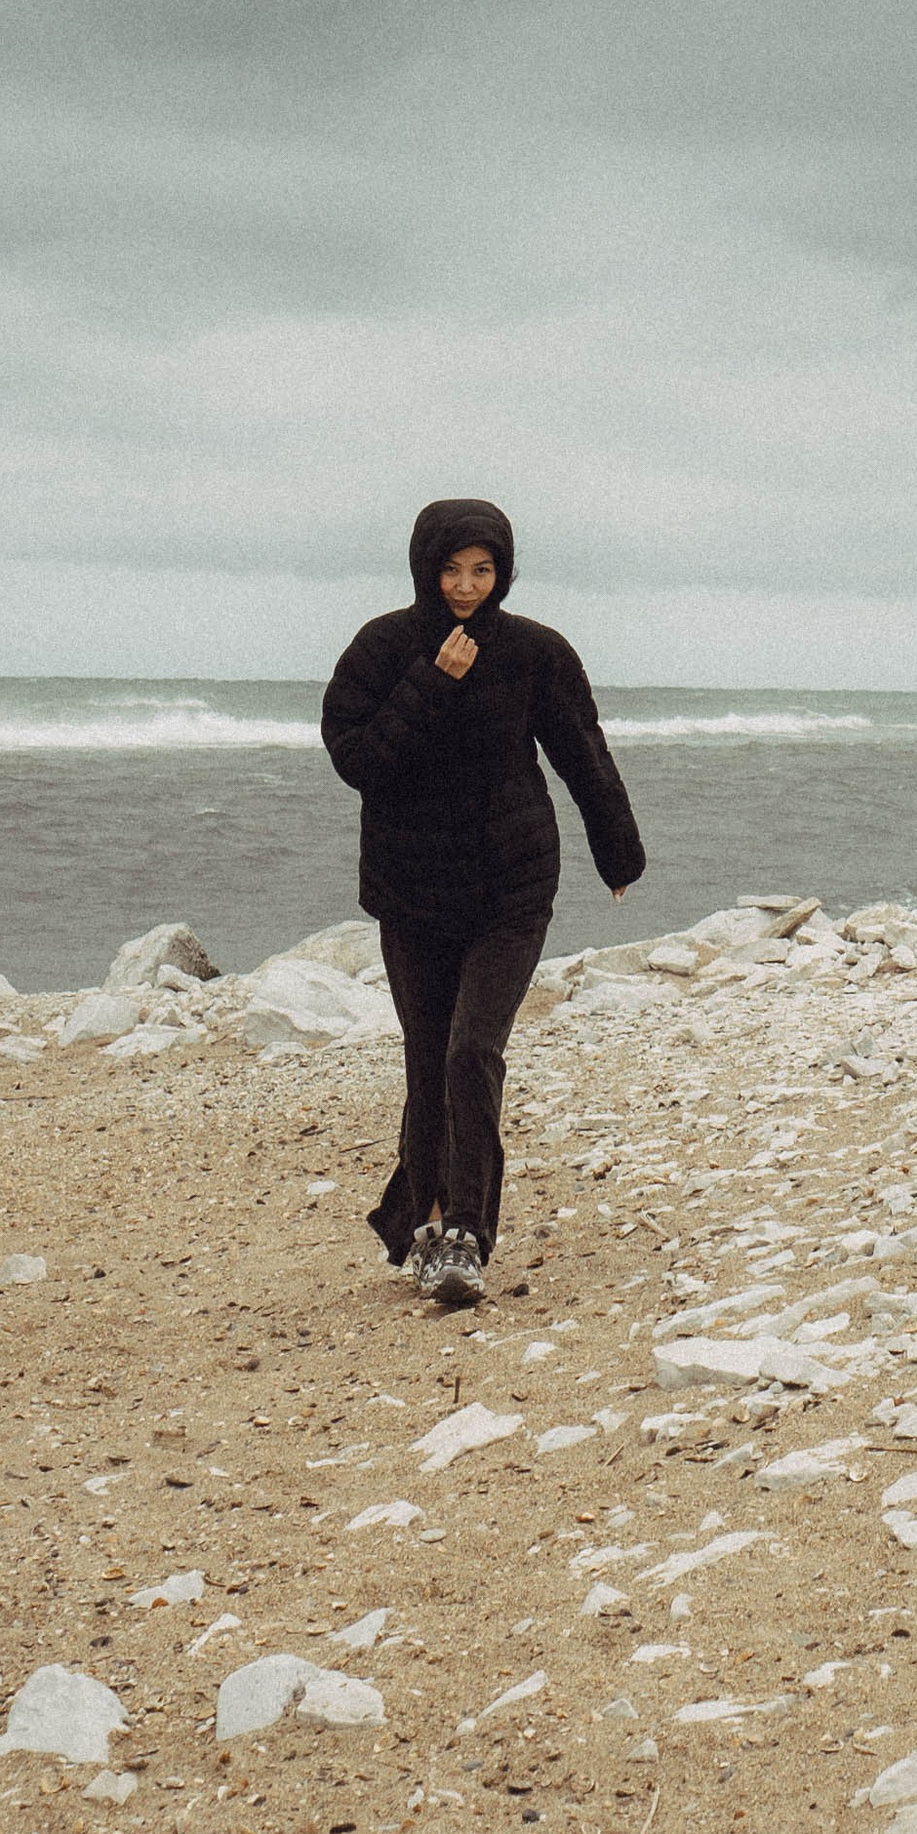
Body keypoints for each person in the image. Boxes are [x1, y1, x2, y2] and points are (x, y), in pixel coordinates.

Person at [322, 497, 644, 1307]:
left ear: (502, 571)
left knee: (472, 1052)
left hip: (511, 884)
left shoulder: (535, 652)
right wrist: (433, 682)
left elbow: (583, 753)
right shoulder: (383, 647)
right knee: (428, 1065)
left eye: (483, 570)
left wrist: (618, 852)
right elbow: (357, 759)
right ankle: (425, 1225)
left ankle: (467, 1233)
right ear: (425, 568)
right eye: (452, 569)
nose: (467, 587)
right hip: (412, 893)